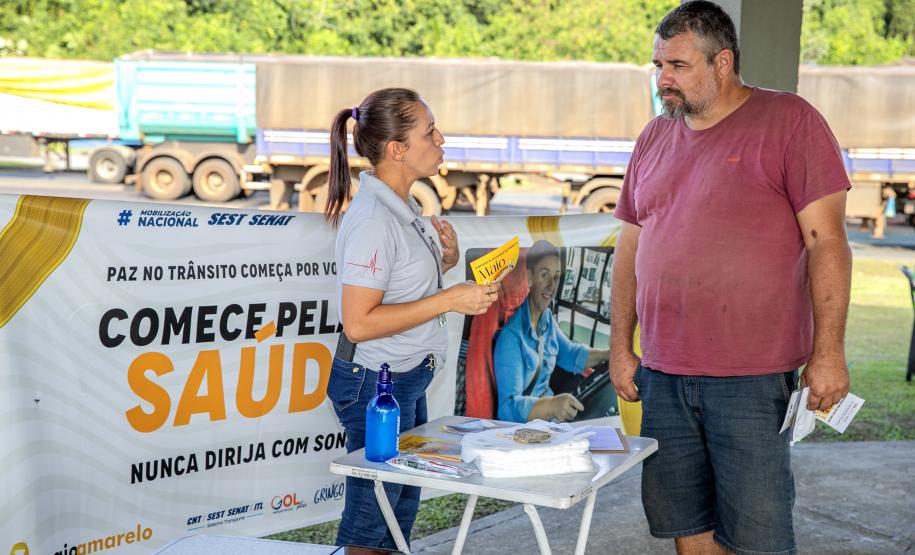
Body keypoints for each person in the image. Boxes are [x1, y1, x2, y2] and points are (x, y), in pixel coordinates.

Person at [609, 2, 852, 555]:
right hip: (663, 372)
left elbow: (827, 242)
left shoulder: (791, 121)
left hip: (751, 376)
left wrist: (829, 352)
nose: (663, 80)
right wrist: (620, 346)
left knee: (758, 538)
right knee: (685, 525)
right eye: (657, 66)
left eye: (677, 65)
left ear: (723, 62)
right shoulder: (653, 137)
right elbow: (630, 250)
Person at [324, 88, 499, 552]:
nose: (441, 139)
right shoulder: (374, 220)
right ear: (396, 149)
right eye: (429, 131)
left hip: (403, 378)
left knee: (397, 520)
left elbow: (400, 289)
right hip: (375, 385)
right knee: (371, 523)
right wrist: (448, 300)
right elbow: (359, 324)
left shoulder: (404, 210)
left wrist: (446, 260)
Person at [493, 240, 609, 422]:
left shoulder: (546, 320)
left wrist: (608, 354)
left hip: (550, 424)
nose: (551, 285)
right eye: (544, 275)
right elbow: (508, 408)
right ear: (529, 278)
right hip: (525, 431)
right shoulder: (512, 337)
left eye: (556, 277)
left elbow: (571, 354)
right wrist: (551, 406)